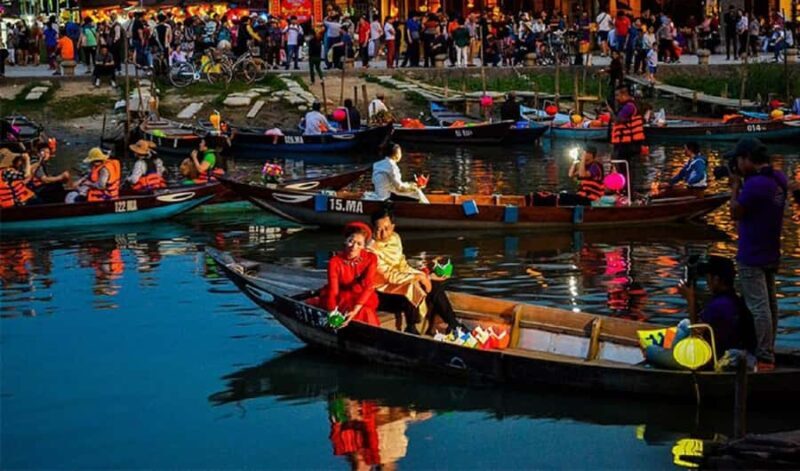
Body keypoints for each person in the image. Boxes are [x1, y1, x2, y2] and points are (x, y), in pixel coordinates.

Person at [727, 137, 788, 371]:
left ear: (747, 159)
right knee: (770, 305)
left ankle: (764, 357)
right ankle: (768, 350)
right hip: (771, 251)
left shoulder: (754, 185)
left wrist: (735, 187)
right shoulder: (778, 179)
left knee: (759, 307)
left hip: (752, 253)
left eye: (739, 160)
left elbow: (735, 213)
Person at [647, 256, 757, 369]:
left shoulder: (720, 304)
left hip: (706, 358)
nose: (707, 281)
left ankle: (667, 350)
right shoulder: (733, 299)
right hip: (719, 346)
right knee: (684, 324)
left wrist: (690, 299)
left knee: (650, 350)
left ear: (716, 280)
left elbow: (695, 334)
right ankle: (669, 348)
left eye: (709, 277)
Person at [369, 208, 463, 336]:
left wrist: (426, 276)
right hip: (382, 292)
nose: (384, 234)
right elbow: (389, 275)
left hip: (400, 284)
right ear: (373, 229)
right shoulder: (370, 249)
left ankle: (453, 323)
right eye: (379, 229)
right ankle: (411, 327)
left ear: (393, 226)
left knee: (434, 286)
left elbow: (403, 266)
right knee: (412, 285)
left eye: (387, 228)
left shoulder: (395, 238)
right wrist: (419, 277)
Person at [308, 222, 380, 328]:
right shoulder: (335, 262)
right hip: (341, 297)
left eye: (359, 244)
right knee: (348, 311)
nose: (354, 247)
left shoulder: (371, 258)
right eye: (351, 241)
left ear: (364, 246)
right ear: (345, 241)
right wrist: (332, 312)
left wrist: (355, 310)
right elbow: (334, 291)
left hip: (362, 296)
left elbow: (369, 286)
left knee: (365, 311)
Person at [610, 85, 645, 160]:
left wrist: (610, 111)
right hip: (629, 143)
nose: (616, 98)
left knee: (620, 163)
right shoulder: (632, 105)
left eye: (617, 95)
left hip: (627, 145)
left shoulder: (628, 107)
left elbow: (618, 120)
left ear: (624, 95)